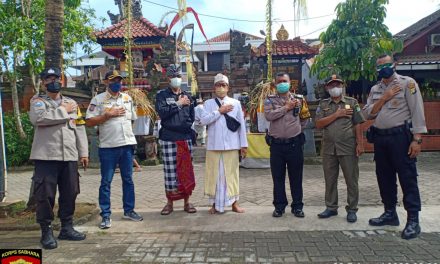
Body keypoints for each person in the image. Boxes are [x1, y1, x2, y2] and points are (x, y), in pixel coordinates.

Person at [363, 54, 427, 239]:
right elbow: (368, 114)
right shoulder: (375, 89)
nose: (384, 68)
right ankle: (390, 213)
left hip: (401, 138)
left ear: (394, 65)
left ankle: (413, 220)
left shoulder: (407, 83)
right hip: (381, 140)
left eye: (387, 64)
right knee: (384, 178)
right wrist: (384, 98)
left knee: (408, 178)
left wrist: (417, 139)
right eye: (380, 65)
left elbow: (417, 111)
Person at [29, 67, 89, 249]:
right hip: (46, 156)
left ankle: (67, 227)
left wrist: (84, 152)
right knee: (45, 196)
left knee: (71, 192)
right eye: (48, 79)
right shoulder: (38, 102)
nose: (53, 81)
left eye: (56, 78)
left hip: (69, 155)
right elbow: (38, 120)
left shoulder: (72, 103)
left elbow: (79, 127)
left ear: (62, 80)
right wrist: (63, 110)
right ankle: (46, 231)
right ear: (43, 82)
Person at [86, 70, 143, 229]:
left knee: (128, 180)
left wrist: (130, 140)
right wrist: (107, 116)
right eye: (113, 80)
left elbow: (131, 120)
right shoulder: (98, 100)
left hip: (126, 146)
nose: (117, 83)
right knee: (106, 182)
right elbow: (89, 121)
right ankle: (105, 215)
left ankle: (129, 210)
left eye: (119, 80)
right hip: (108, 147)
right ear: (106, 82)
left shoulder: (127, 98)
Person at [315, 74, 365, 223]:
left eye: (338, 85)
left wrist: (360, 143)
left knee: (351, 179)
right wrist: (337, 114)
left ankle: (352, 209)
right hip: (329, 148)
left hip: (348, 147)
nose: (335, 88)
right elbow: (318, 124)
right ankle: (331, 207)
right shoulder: (323, 104)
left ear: (342, 86)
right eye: (332, 85)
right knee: (330, 179)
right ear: (327, 88)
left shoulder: (352, 102)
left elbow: (358, 123)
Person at [200, 73, 248, 214]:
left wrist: (243, 145)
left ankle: (234, 203)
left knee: (232, 175)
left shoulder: (236, 103)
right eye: (218, 85)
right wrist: (219, 111)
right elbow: (203, 121)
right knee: (213, 175)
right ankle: (215, 204)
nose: (221, 88)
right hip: (214, 146)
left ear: (228, 87)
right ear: (214, 88)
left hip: (232, 146)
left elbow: (241, 126)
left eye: (223, 85)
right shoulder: (208, 104)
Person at [264, 73, 310, 218]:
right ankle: (279, 206)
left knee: (296, 177)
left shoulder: (300, 100)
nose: (282, 83)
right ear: (275, 84)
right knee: (277, 178)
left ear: (290, 83)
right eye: (279, 81)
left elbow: (305, 120)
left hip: (294, 144)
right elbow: (269, 116)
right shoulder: (269, 100)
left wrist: (295, 131)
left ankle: (297, 206)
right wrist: (286, 108)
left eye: (285, 81)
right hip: (276, 145)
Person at [155, 64, 197, 215]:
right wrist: (178, 104)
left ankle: (187, 201)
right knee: (170, 172)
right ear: (168, 78)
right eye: (173, 76)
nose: (176, 79)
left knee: (186, 170)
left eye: (178, 76)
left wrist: (184, 125)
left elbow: (192, 116)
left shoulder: (188, 96)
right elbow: (163, 113)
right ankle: (169, 203)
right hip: (168, 137)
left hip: (185, 137)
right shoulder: (162, 96)